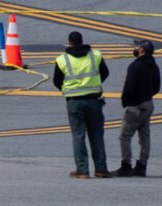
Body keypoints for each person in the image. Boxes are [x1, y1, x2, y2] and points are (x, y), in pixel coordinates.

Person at [47, 31, 111, 179]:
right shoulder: (95, 55)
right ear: (82, 41)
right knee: (97, 134)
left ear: (69, 43)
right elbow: (105, 73)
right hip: (94, 100)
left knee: (78, 135)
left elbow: (57, 81)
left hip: (74, 101)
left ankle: (82, 170)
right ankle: (101, 169)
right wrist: (93, 85)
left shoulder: (62, 59)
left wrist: (68, 89)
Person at [119, 40, 157, 178]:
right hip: (148, 104)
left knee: (125, 136)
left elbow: (129, 87)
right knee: (144, 136)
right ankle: (142, 165)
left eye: (136, 46)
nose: (134, 48)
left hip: (135, 106)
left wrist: (125, 101)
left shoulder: (136, 65)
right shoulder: (153, 65)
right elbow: (157, 86)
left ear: (142, 49)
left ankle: (126, 165)